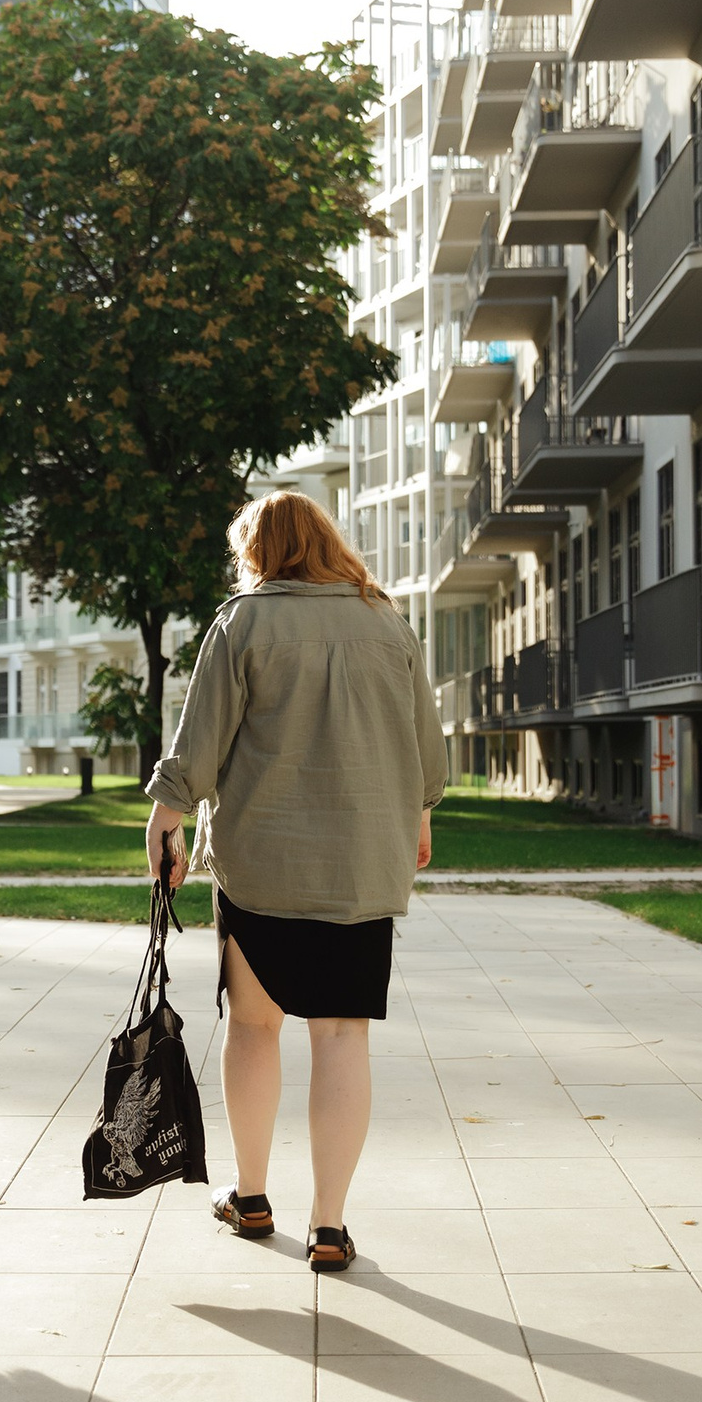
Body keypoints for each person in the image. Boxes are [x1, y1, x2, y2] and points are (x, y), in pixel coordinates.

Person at [144, 491, 446, 1270]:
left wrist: (166, 818)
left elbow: (200, 741)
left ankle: (249, 1197)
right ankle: (330, 1225)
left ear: (261, 552)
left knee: (253, 1028)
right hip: (359, 867)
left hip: (261, 866)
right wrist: (419, 815)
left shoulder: (242, 623)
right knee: (343, 1037)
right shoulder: (386, 621)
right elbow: (424, 743)